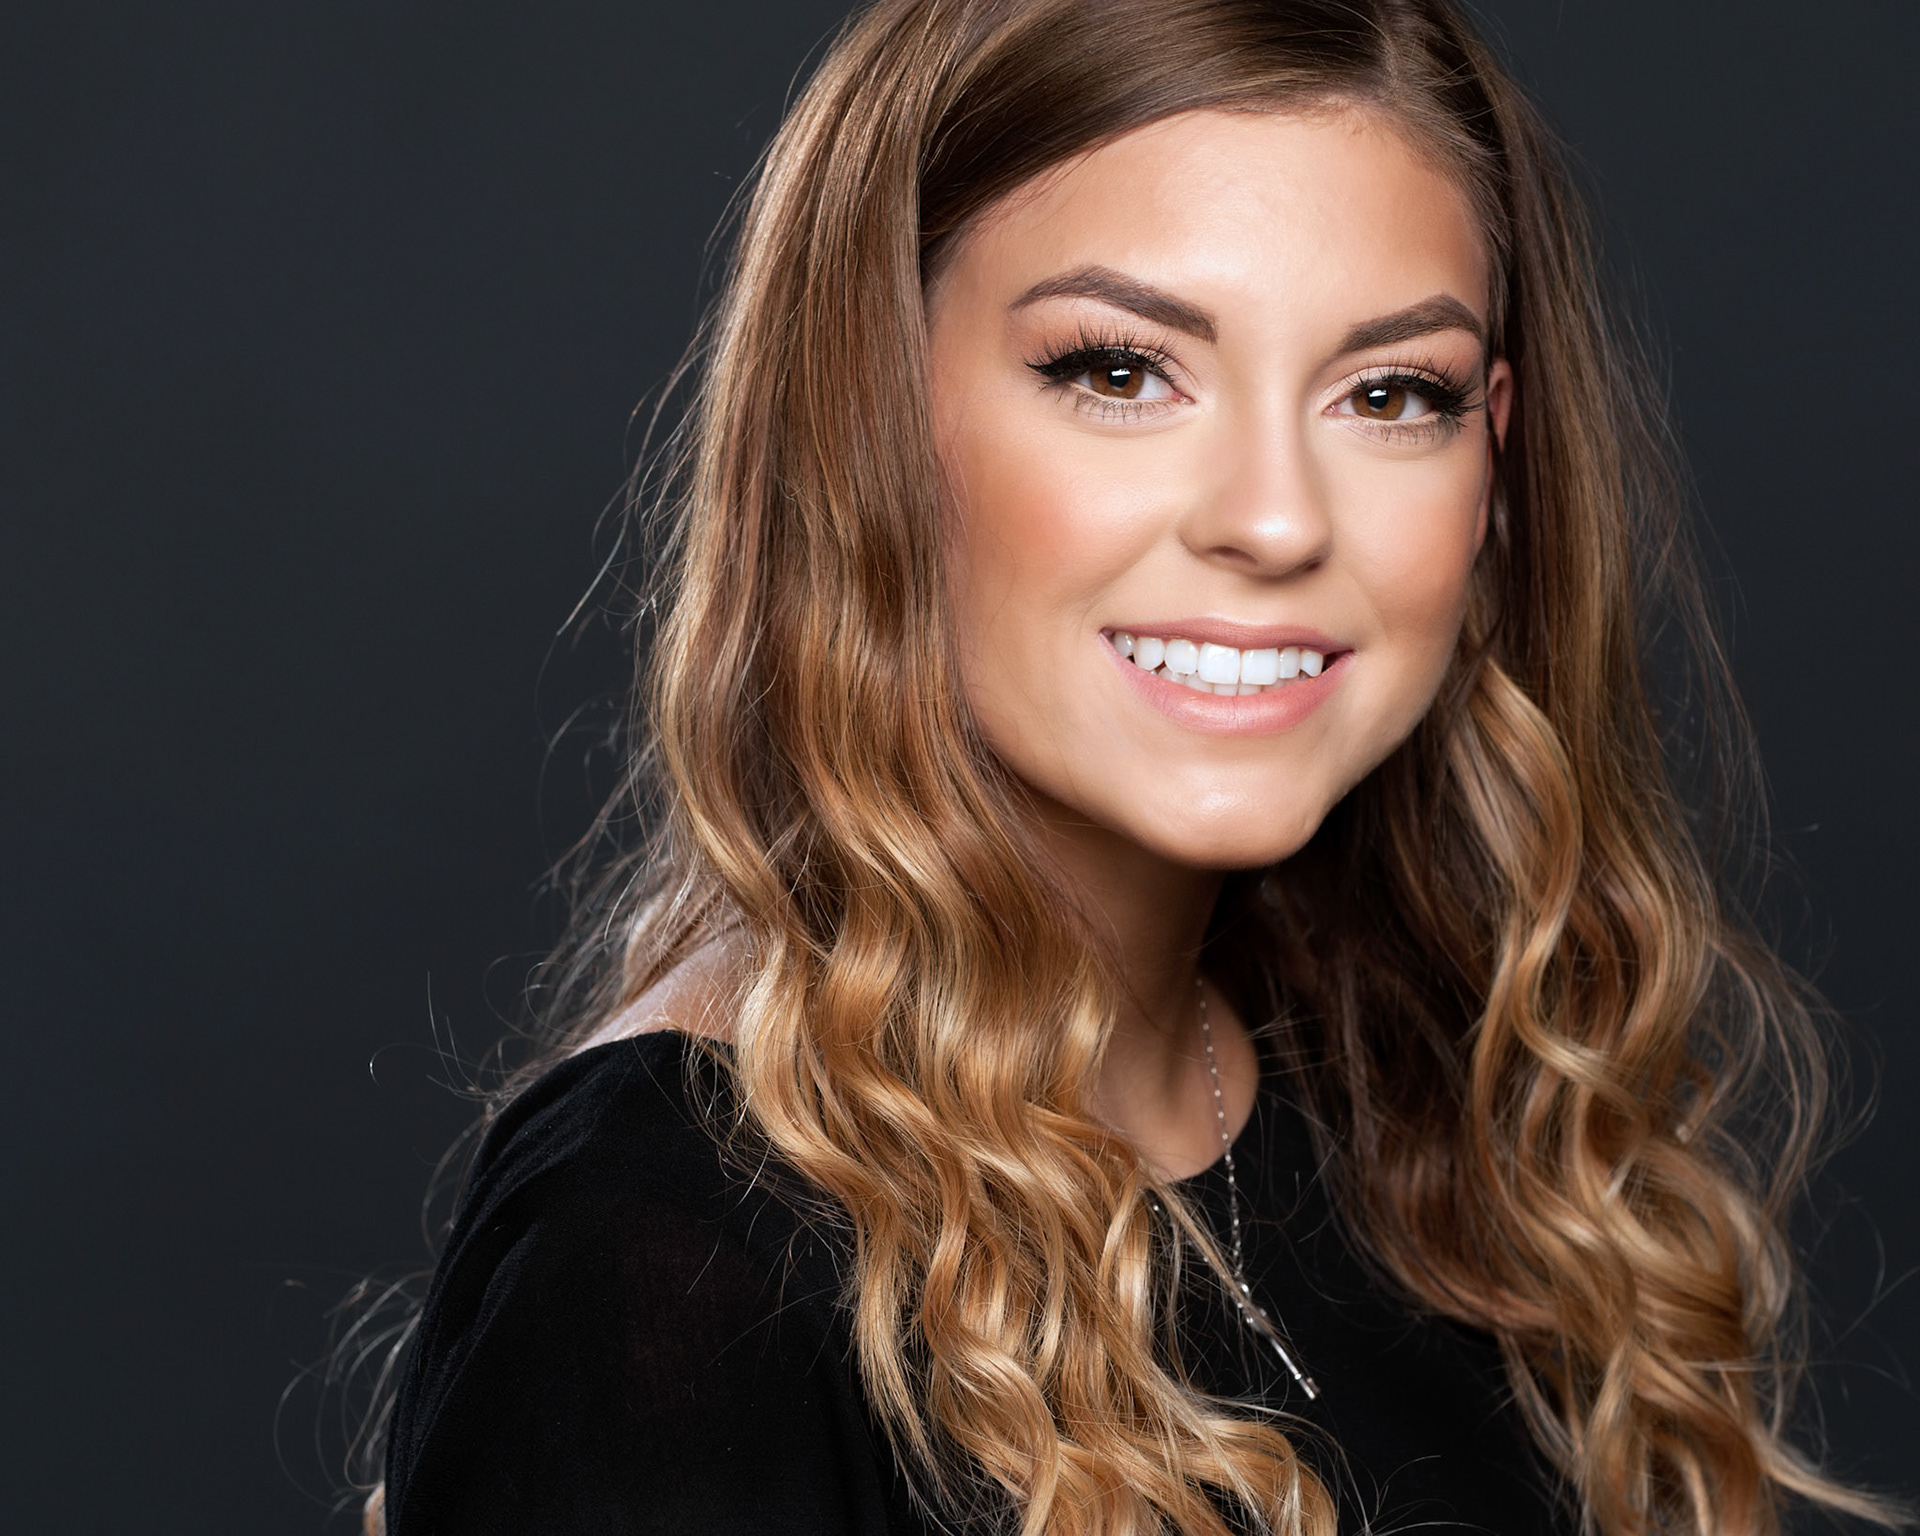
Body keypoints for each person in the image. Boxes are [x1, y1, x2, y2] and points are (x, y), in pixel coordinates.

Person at [363, 1, 1905, 1532]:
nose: (1277, 519)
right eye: (1120, 371)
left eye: (1389, 395)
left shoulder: (1425, 1125)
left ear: (1493, 456)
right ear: (867, 415)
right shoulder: (665, 1241)